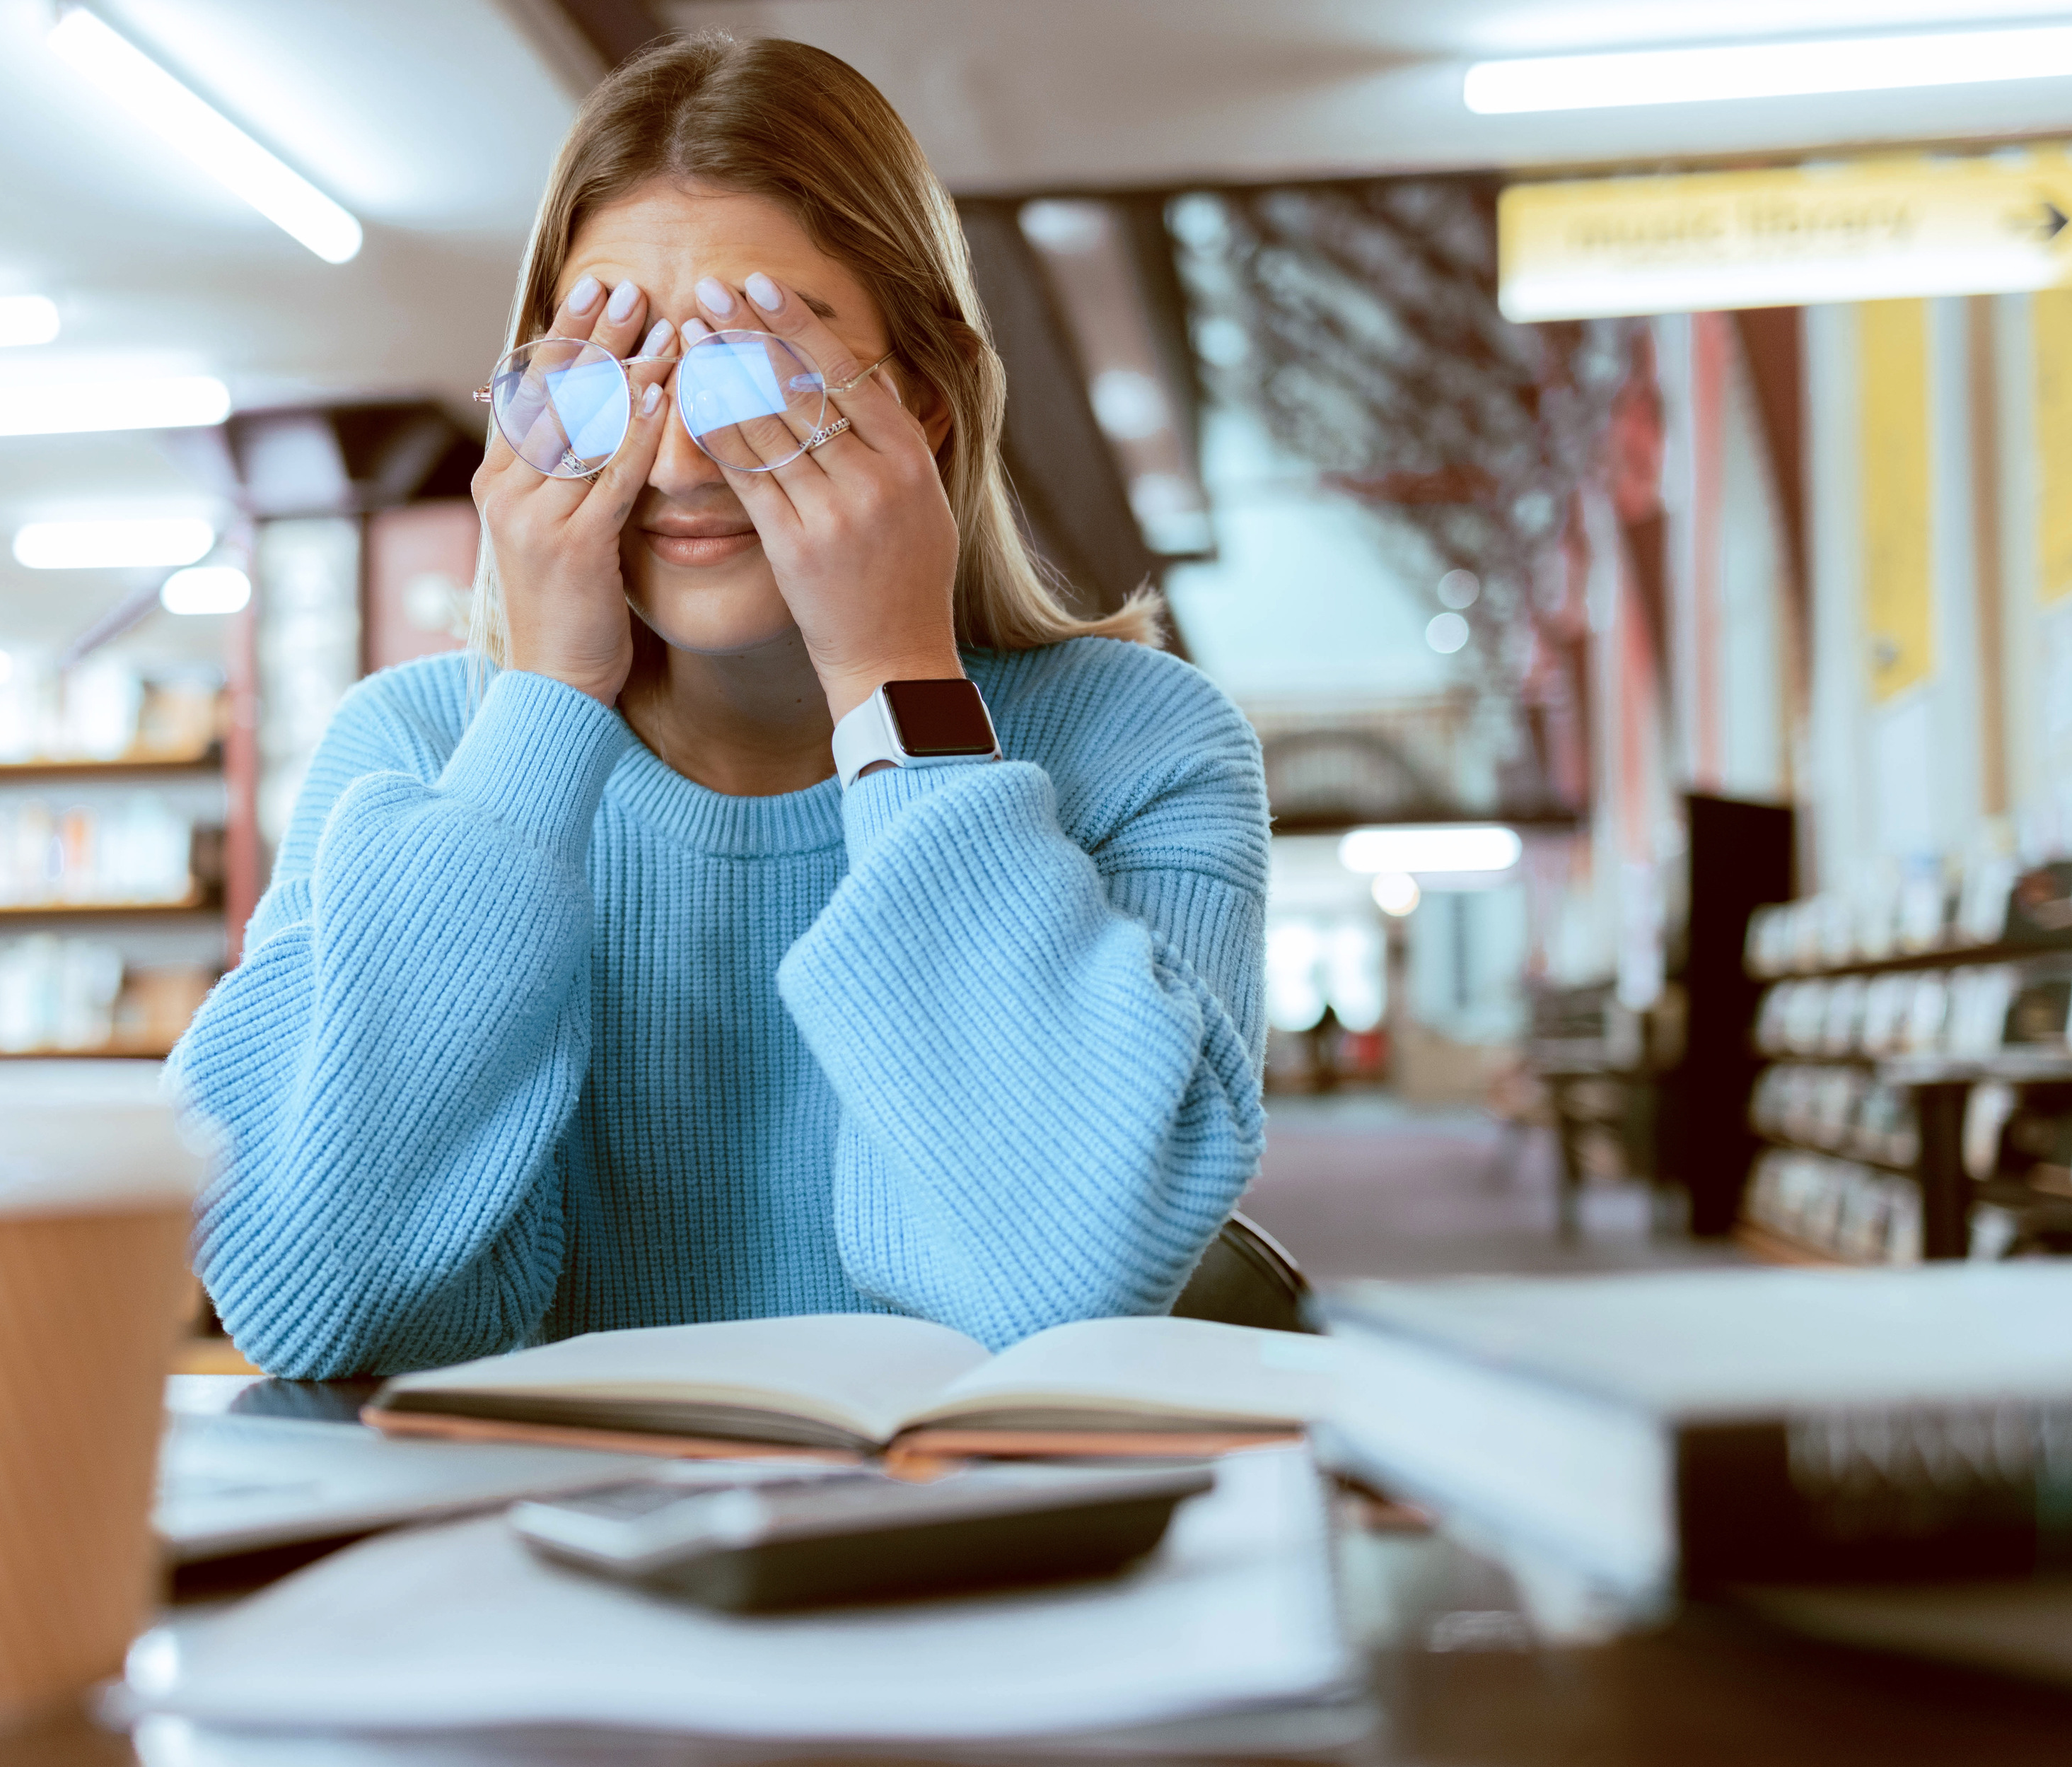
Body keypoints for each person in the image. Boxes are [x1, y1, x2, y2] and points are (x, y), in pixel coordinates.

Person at [170, 33, 1272, 1378]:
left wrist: (895, 686)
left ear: (921, 405)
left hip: (967, 1557)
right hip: (517, 1551)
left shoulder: (1141, 745)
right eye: (609, 373)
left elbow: (1060, 1287)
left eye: (763, 369)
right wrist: (540, 708)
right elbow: (313, 1305)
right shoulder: (416, 753)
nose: (681, 460)